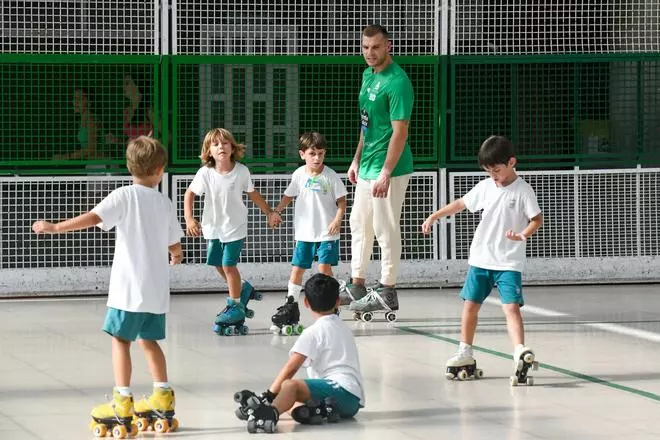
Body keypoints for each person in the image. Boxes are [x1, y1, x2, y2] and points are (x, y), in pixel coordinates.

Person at [32, 136, 184, 436]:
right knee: (149, 341)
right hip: (155, 290)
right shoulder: (164, 201)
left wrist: (55, 227)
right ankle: (162, 396)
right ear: (160, 169)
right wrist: (176, 253)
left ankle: (122, 400)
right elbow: (173, 242)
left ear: (130, 167)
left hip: (128, 289)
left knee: (120, 341)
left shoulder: (124, 195)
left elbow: (93, 218)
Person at [421, 135, 543, 383]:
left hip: (508, 262)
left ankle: (520, 351)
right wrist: (434, 216)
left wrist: (522, 235)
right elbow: (460, 204)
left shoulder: (523, 190)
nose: (493, 176)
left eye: (497, 170)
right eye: (489, 172)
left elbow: (536, 219)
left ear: (511, 162)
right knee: (470, 306)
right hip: (481, 259)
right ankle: (464, 351)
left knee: (511, 307)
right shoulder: (485, 187)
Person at [342, 24, 414, 317]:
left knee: (386, 229)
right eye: (365, 47)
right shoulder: (367, 75)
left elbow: (400, 133)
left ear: (388, 47)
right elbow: (366, 123)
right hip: (367, 165)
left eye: (376, 47)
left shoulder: (397, 82)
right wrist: (356, 159)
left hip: (391, 170)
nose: (369, 53)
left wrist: (386, 171)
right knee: (359, 224)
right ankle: (357, 284)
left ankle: (387, 289)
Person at [235, 274, 365, 433]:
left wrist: (268, 396)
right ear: (338, 301)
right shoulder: (343, 328)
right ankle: (310, 412)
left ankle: (269, 414)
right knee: (286, 397)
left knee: (289, 386)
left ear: (306, 303)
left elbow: (291, 367)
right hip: (352, 401)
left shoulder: (313, 332)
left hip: (341, 391)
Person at [184, 128, 280, 335]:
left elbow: (253, 194)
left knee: (229, 265)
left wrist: (269, 212)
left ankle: (235, 305)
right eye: (216, 144)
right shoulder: (205, 173)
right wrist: (189, 218)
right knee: (218, 264)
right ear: (209, 151)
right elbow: (190, 193)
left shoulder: (242, 171)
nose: (221, 147)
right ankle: (244, 287)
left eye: (225, 143)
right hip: (212, 228)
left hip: (235, 227)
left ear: (232, 147)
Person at [268, 132, 347, 335]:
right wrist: (276, 212)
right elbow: (288, 196)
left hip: (326, 234)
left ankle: (330, 306)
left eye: (320, 153)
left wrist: (337, 219)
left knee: (323, 271)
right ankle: (291, 304)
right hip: (304, 233)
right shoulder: (299, 175)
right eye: (312, 153)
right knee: (297, 270)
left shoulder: (330, 175)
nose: (317, 158)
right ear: (302, 154)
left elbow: (341, 201)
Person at [55, 87, 101, 161]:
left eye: (80, 99)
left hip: (102, 165)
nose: (76, 102)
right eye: (74, 98)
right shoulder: (81, 120)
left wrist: (67, 157)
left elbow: (91, 148)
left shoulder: (91, 119)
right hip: (92, 164)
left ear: (89, 102)